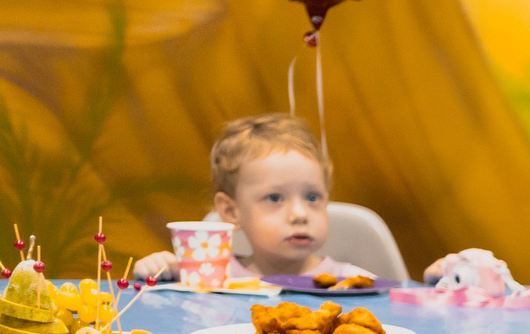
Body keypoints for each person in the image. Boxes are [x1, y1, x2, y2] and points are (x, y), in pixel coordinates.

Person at [132, 115, 372, 284]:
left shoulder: (353, 284)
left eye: (312, 197)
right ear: (231, 211)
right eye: (275, 198)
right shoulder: (209, 279)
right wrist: (158, 272)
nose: (300, 214)